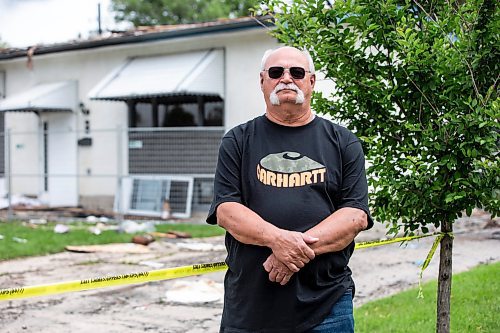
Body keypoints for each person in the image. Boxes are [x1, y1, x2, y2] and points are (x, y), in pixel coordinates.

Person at [206, 46, 373, 333]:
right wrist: (277, 240)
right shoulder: (237, 141)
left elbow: (355, 215)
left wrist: (291, 251)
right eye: (276, 72)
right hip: (250, 308)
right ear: (262, 81)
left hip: (327, 306)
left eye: (296, 72)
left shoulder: (343, 141)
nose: (286, 78)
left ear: (311, 82)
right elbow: (226, 211)